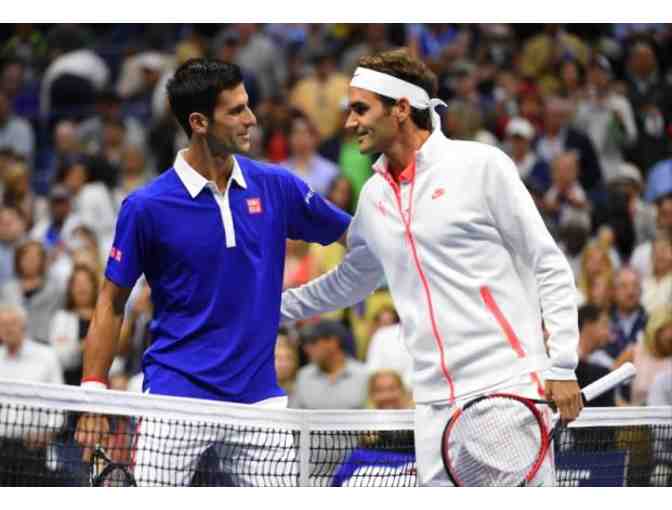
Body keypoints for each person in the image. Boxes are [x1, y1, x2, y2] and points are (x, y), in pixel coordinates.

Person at [281, 48, 583, 487]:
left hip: (503, 387)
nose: (348, 122)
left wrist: (562, 364)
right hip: (431, 404)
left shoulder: (480, 166)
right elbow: (352, 280)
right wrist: (273, 308)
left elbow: (548, 263)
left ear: (401, 109)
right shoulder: (375, 197)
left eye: (361, 109)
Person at [74, 58, 350, 486]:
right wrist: (93, 395)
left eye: (247, 105)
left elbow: (357, 236)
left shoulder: (277, 186)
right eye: (236, 111)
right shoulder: (146, 207)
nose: (251, 118)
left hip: (258, 400)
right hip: (175, 399)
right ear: (199, 122)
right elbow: (111, 304)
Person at [290, 319, 369, 410]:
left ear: (333, 342)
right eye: (305, 343)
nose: (306, 348)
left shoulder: (363, 375)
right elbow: (294, 415)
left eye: (313, 342)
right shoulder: (304, 375)